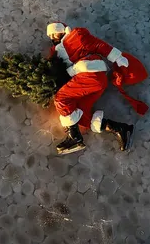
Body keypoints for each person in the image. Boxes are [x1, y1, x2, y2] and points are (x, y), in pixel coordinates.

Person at [46, 22, 135, 155]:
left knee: (61, 98)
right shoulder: (56, 53)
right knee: (81, 115)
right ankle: (120, 129)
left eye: (55, 32)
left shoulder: (75, 37)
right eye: (50, 35)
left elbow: (98, 45)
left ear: (63, 30)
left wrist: (117, 57)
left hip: (90, 73)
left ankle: (75, 138)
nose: (53, 36)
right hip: (91, 81)